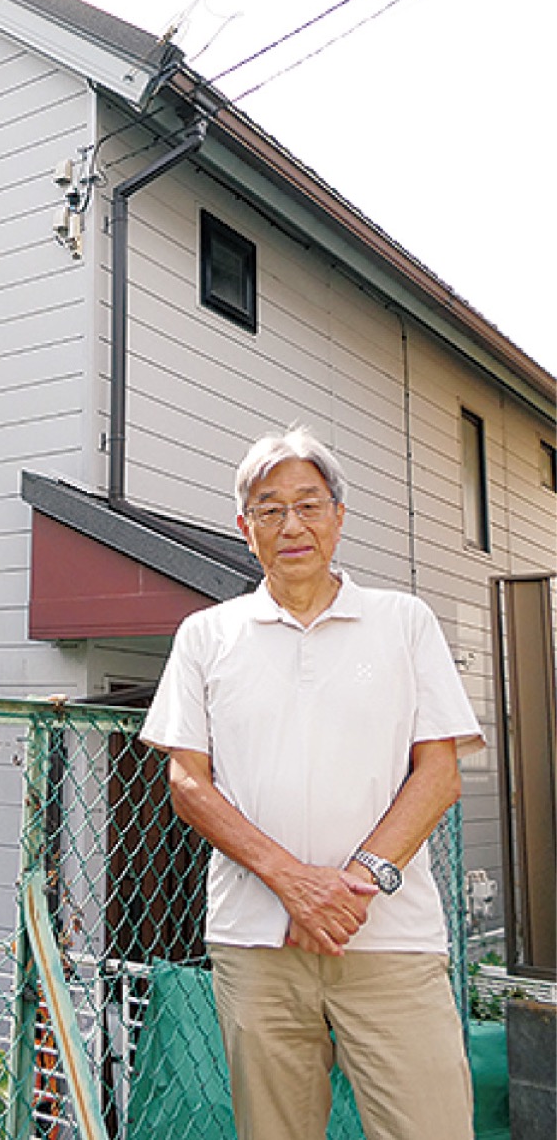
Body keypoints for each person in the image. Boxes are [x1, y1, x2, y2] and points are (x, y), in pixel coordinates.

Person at [140, 426, 485, 1140]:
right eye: (269, 509)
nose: (290, 524)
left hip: (393, 939)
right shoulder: (206, 634)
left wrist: (350, 886)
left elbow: (439, 772)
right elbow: (187, 782)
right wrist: (293, 882)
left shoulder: (404, 621)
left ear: (339, 515)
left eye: (308, 504)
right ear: (245, 528)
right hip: (257, 943)